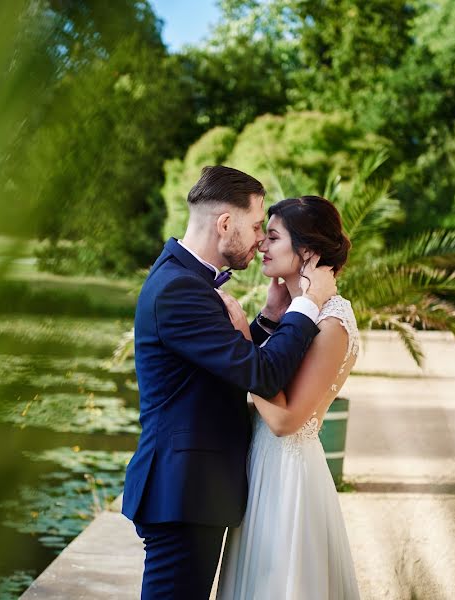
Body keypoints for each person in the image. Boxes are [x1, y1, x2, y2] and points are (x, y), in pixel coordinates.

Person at [121, 167, 338, 599]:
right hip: (183, 491)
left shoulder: (185, 279)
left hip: (193, 488)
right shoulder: (179, 289)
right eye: (257, 226)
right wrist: (307, 304)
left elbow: (223, 363)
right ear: (224, 223)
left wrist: (269, 320)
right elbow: (260, 375)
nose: (260, 238)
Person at [216, 195, 362, 599]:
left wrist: (243, 341)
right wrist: (268, 322)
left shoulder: (332, 324)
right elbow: (275, 377)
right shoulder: (299, 313)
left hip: (288, 478)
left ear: (308, 252)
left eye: (274, 237)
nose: (262, 244)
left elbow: (284, 420)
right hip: (263, 469)